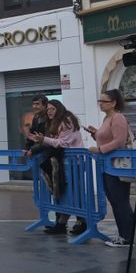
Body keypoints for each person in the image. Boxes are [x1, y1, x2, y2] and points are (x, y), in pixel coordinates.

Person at [91, 90, 136, 247]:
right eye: (100, 101)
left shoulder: (117, 118)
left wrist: (100, 150)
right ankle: (123, 235)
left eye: (104, 101)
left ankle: (127, 237)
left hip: (117, 166)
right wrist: (95, 134)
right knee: (116, 201)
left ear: (114, 103)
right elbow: (109, 138)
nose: (101, 103)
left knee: (120, 201)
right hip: (109, 165)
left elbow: (119, 141)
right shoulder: (107, 118)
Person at [37, 100, 85, 236]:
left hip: (74, 163)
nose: (49, 111)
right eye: (48, 109)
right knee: (64, 192)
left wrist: (44, 140)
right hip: (65, 163)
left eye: (52, 109)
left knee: (74, 194)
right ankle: (61, 224)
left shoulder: (67, 120)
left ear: (59, 108)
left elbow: (63, 143)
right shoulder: (55, 122)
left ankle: (83, 222)